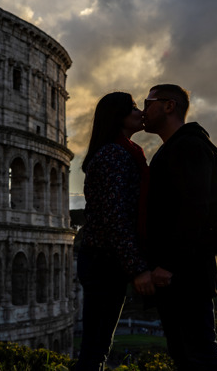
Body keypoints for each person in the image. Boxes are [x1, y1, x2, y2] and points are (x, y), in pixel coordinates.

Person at [143, 84, 217, 371]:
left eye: (148, 102)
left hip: (184, 273)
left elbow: (195, 209)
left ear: (169, 106)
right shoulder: (177, 147)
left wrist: (167, 264)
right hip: (179, 272)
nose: (143, 111)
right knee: (185, 355)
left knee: (199, 354)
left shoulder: (188, 146)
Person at [76, 92, 155, 371]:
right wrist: (137, 268)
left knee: (97, 346)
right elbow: (115, 217)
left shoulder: (121, 152)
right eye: (133, 108)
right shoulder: (114, 154)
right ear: (119, 117)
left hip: (105, 260)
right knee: (96, 348)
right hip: (103, 261)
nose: (139, 112)